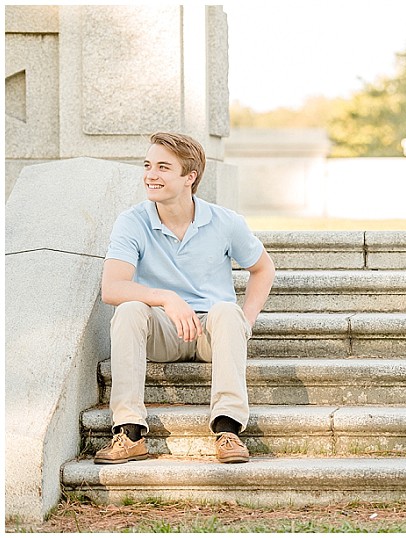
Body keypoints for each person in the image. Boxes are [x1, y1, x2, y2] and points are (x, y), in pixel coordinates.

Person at [94, 132, 275, 464]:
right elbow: (112, 288)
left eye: (163, 167)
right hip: (163, 330)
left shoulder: (225, 222)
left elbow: (263, 268)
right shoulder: (132, 222)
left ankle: (228, 429)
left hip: (210, 332)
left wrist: (244, 322)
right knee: (130, 309)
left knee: (226, 310)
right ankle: (130, 432)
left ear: (189, 177)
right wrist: (165, 298)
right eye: (148, 165)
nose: (151, 175)